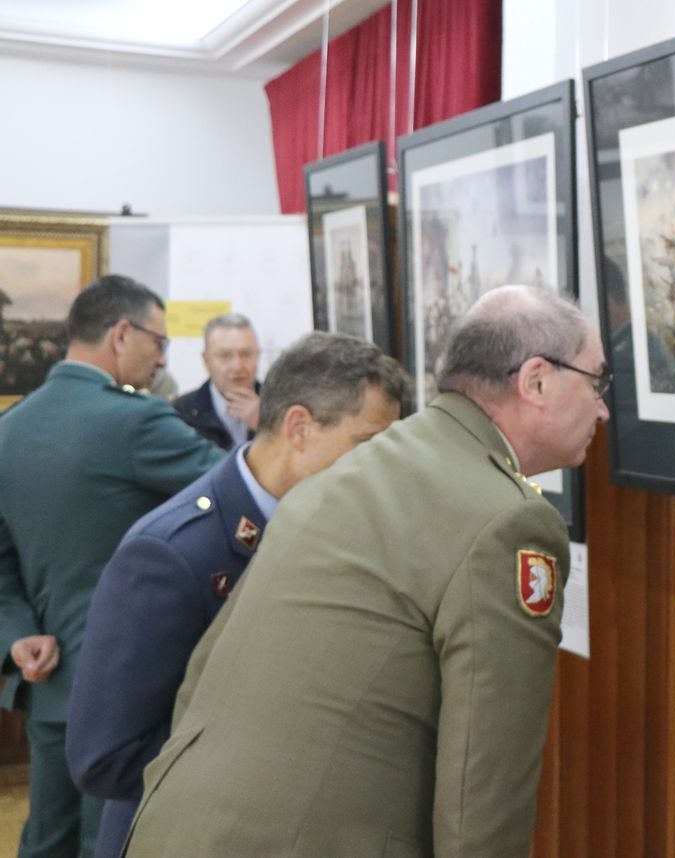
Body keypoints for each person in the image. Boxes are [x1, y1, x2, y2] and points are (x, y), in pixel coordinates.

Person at [122, 285, 610, 857]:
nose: (602, 407)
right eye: (596, 382)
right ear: (536, 381)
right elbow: (483, 790)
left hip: (177, 828)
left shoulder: (354, 469)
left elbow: (203, 676)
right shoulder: (508, 523)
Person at [65, 331, 410, 858]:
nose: (382, 469)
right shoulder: (172, 553)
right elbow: (104, 756)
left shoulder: (343, 528)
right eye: (366, 445)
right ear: (299, 427)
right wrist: (270, 758)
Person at [0, 274, 225, 858]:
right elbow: (241, 488)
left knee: (46, 840)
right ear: (121, 334)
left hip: (47, 682)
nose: (160, 358)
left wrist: (20, 635)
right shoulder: (135, 422)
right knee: (115, 841)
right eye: (157, 341)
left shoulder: (10, 429)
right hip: (129, 687)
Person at [174, 313, 261, 449]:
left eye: (245, 354)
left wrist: (266, 426)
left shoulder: (281, 406)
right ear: (206, 360)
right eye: (225, 356)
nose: (237, 366)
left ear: (257, 356)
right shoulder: (181, 413)